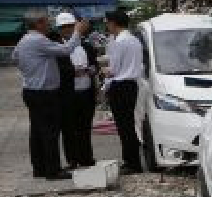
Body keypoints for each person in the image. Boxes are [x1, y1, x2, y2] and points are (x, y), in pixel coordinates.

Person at [12, 11, 89, 180]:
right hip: (45, 92)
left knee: (37, 131)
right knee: (50, 132)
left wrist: (32, 71)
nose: (49, 25)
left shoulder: (24, 40)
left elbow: (15, 58)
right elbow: (66, 49)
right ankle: (53, 170)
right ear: (38, 23)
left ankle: (39, 168)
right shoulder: (38, 40)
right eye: (46, 22)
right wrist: (77, 31)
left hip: (31, 89)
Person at [103, 10, 145, 174]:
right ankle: (132, 161)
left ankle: (132, 163)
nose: (107, 26)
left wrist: (105, 72)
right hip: (132, 85)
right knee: (128, 124)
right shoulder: (134, 40)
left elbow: (114, 69)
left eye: (108, 23)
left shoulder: (118, 42)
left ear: (114, 23)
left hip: (120, 85)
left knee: (124, 127)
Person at [54, 13, 98, 169]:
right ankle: (72, 159)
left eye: (70, 26)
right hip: (68, 95)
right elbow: (58, 70)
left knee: (85, 127)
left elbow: (94, 65)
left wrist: (92, 70)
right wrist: (75, 72)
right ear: (59, 29)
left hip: (86, 92)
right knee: (68, 129)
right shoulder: (57, 47)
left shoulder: (87, 46)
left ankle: (86, 157)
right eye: (63, 27)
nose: (67, 30)